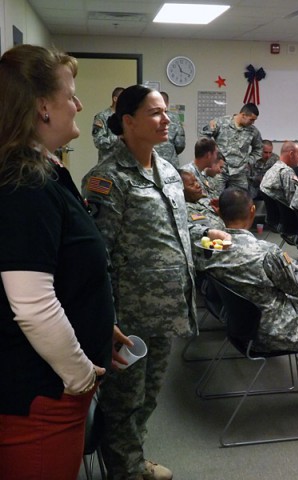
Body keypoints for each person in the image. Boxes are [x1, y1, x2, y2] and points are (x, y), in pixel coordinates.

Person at [81, 85, 229, 480]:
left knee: (147, 397)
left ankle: (133, 459)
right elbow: (100, 258)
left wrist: (207, 240)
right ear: (127, 122)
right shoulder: (107, 179)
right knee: (123, 401)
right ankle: (125, 471)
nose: (167, 120)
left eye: (166, 112)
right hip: (129, 314)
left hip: (167, 308)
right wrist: (106, 318)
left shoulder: (166, 171)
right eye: (155, 113)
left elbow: (174, 231)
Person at [0, 44, 121, 480]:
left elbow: (59, 267)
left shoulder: (44, 169)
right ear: (43, 107)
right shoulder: (23, 182)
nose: (79, 104)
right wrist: (81, 376)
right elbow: (32, 305)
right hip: (41, 395)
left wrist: (98, 323)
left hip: (53, 385)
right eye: (71, 94)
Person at [195, 188, 298, 407]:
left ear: (219, 213)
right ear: (252, 211)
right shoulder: (265, 252)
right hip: (275, 330)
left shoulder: (207, 249)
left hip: (241, 324)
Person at [201, 102, 263, 190]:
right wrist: (211, 158)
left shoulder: (253, 131)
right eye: (251, 120)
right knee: (215, 197)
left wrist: (248, 161)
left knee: (239, 200)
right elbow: (204, 139)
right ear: (243, 115)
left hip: (239, 172)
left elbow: (259, 149)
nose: (253, 123)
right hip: (219, 170)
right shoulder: (221, 123)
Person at [260, 140, 298, 205]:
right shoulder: (287, 172)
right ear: (291, 154)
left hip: (273, 214)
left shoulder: (274, 168)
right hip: (285, 214)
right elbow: (295, 203)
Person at [92, 86, 125, 163]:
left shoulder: (126, 117)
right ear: (115, 99)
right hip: (108, 163)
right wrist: (118, 138)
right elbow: (98, 141)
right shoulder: (102, 116)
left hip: (125, 164)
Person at [154, 91, 185, 168]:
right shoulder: (175, 118)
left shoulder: (148, 117)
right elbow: (180, 144)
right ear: (167, 103)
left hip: (152, 162)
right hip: (170, 163)